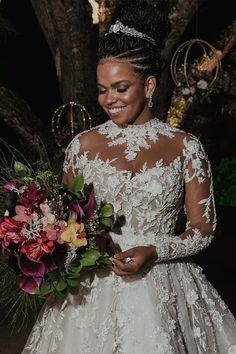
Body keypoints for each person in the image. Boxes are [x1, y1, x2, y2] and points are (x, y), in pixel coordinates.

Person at [22, 2, 236, 353]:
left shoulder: (186, 147)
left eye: (121, 88)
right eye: (102, 89)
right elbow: (66, 224)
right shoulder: (82, 146)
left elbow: (203, 229)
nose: (110, 100)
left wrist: (155, 249)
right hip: (90, 294)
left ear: (149, 84)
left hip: (164, 284)